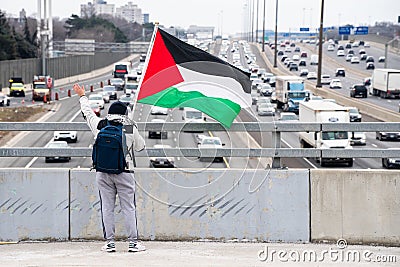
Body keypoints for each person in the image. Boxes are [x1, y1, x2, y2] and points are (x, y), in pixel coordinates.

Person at [73, 83, 146, 253]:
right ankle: (133, 243)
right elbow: (140, 147)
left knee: (107, 207)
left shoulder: (101, 125)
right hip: (125, 172)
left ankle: (110, 243)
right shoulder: (128, 127)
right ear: (125, 114)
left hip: (103, 172)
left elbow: (87, 113)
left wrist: (82, 96)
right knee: (128, 207)